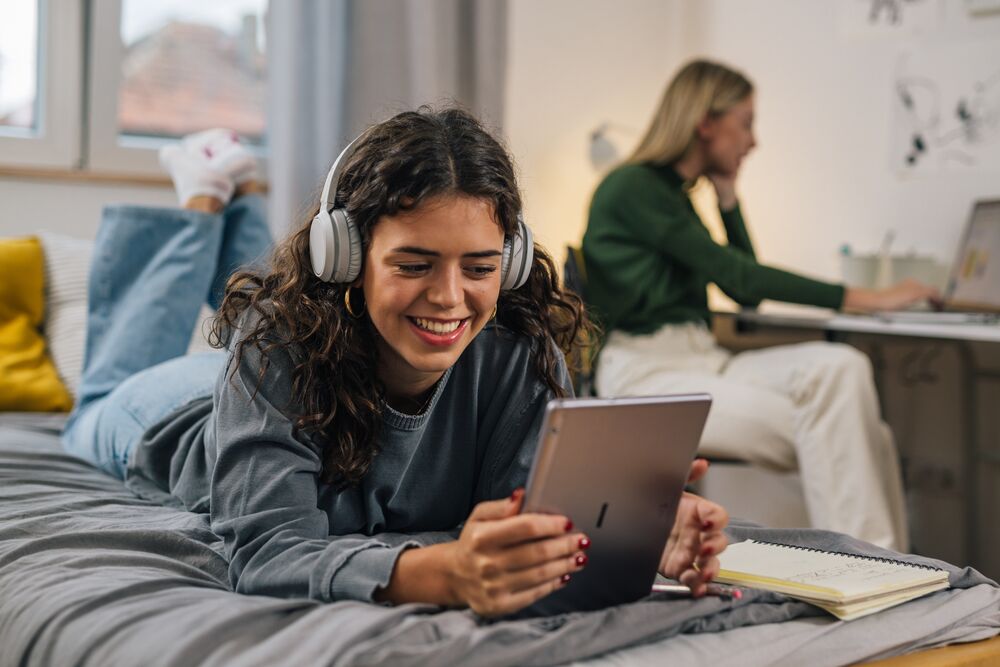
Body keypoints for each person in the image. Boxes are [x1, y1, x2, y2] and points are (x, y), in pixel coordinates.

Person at [60, 108, 729, 618]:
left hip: (255, 376)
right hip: (175, 415)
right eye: (414, 264)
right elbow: (269, 551)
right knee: (98, 395)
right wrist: (441, 574)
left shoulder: (519, 351)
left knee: (258, 305)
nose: (449, 297)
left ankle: (229, 196)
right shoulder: (276, 345)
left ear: (512, 261)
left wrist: (637, 532)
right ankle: (205, 194)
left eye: (480, 267)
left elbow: (523, 519)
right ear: (344, 258)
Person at [582, 60, 941, 552]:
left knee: (844, 369)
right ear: (706, 122)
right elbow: (742, 276)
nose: (753, 140)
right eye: (746, 122)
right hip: (647, 376)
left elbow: (744, 291)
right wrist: (869, 298)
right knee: (854, 436)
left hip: (704, 361)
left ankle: (881, 565)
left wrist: (728, 195)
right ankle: (873, 566)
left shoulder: (676, 195)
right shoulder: (632, 188)